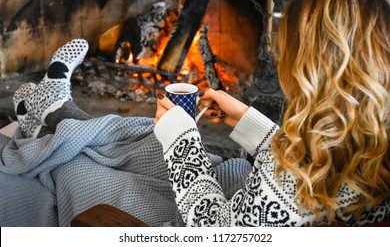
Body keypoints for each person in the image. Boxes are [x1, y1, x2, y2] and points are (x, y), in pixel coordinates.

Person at [154, 0, 390, 226]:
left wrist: (181, 142)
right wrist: (251, 124)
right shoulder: (374, 146)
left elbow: (216, 233)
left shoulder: (290, 183)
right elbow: (317, 157)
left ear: (310, 70)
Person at [0, 40, 251, 227]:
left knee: (78, 168)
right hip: (233, 186)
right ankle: (52, 117)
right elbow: (285, 162)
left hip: (199, 217)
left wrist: (183, 140)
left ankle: (49, 123)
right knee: (146, 141)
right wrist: (249, 122)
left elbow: (211, 229)